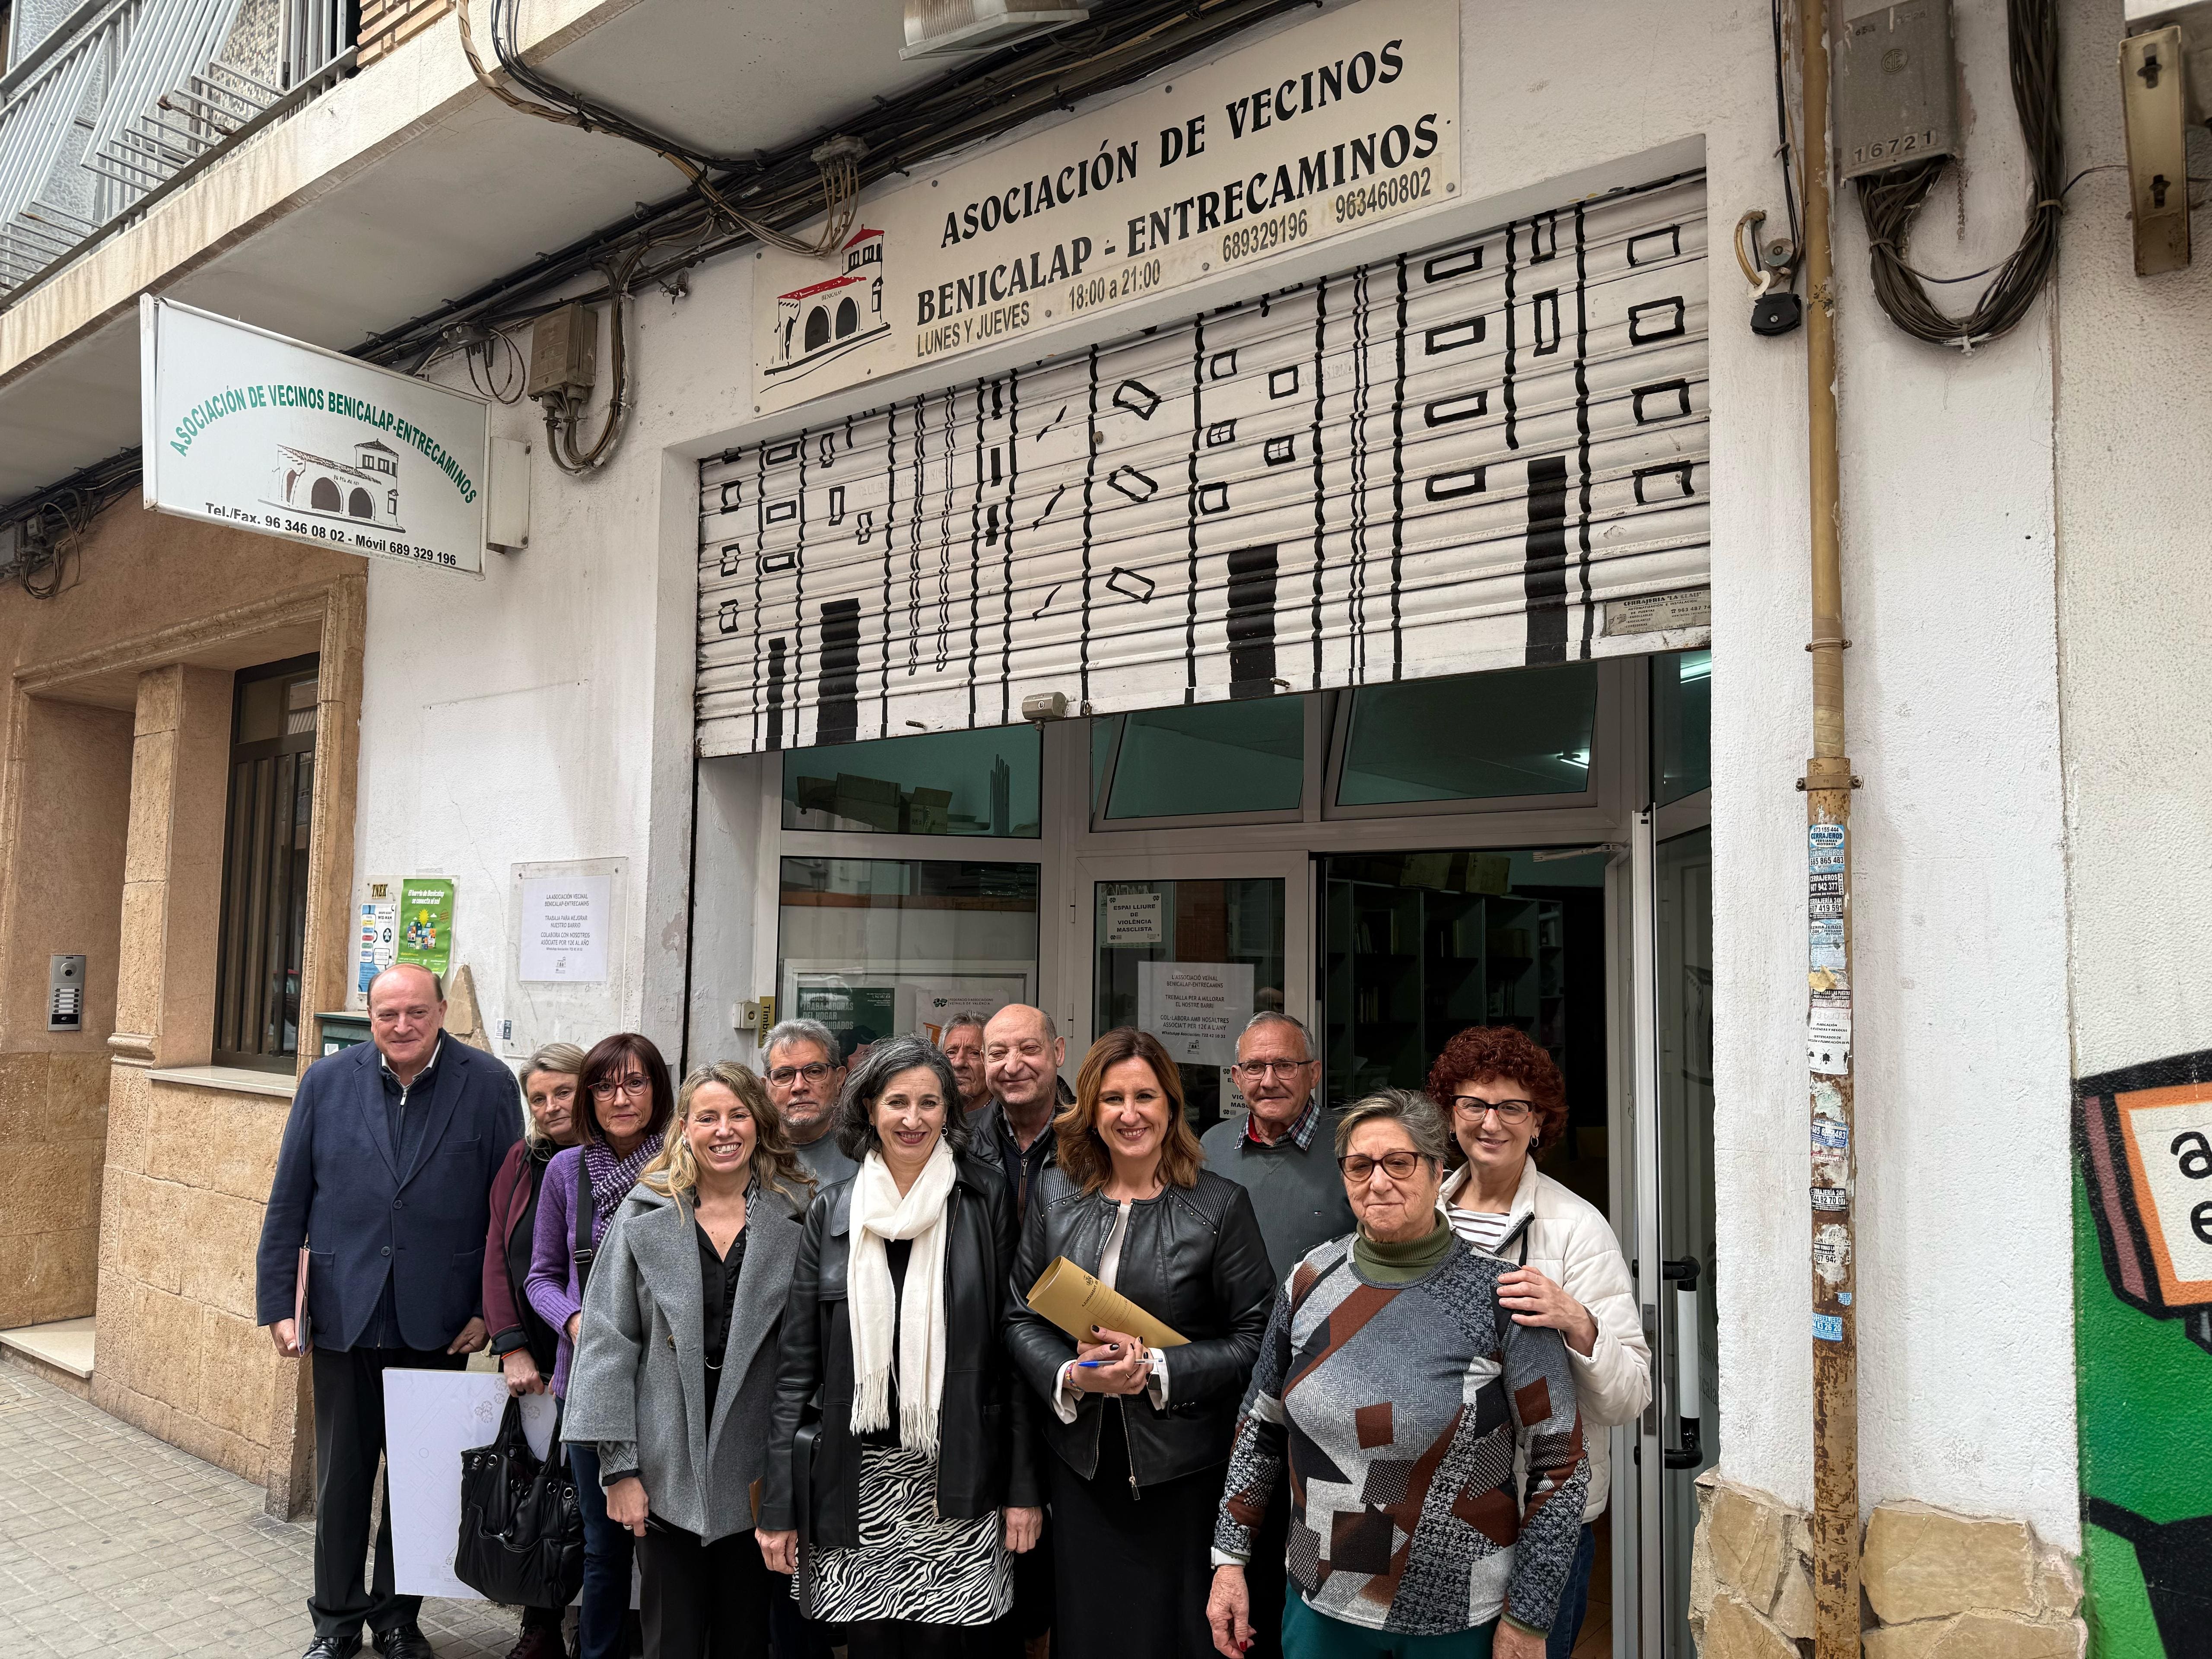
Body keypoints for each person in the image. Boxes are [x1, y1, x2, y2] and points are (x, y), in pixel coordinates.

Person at [1207, 1089, 1592, 1659]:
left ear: (1438, 1171)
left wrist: (1530, 1618)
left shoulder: (1501, 1296)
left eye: (1399, 1162)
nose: (1378, 1181)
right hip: (1321, 1610)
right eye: (1360, 1165)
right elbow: (1260, 1427)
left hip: (1458, 1619)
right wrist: (1229, 1561)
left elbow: (1561, 1463)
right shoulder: (1308, 1284)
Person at [254, 963, 520, 1659]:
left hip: (441, 1319)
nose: (402, 1026)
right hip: (344, 1312)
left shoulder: (489, 1085)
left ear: (440, 1012)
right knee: (342, 1479)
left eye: (416, 1013)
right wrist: (280, 1304)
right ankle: (335, 1625)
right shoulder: (326, 1082)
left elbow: (506, 1216)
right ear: (370, 1018)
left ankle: (397, 1617)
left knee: (418, 1479)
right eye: (387, 1015)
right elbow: (289, 1200)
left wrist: (492, 1314)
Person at [759, 1035, 1043, 1657]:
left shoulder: (986, 1198)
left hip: (959, 1471)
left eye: (930, 1103)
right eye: (897, 1102)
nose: (913, 1119)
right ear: (868, 1110)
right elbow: (796, 1372)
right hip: (856, 1477)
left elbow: (1011, 1354)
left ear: (949, 1112)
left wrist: (1024, 1490)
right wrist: (778, 1505)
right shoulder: (833, 1213)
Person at [1005, 1028, 1277, 1659]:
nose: (1130, 1114)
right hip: (1081, 1469)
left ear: (1172, 1107)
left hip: (1184, 1471)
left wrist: (1157, 1366)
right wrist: (1072, 1378)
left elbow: (1259, 1338)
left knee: (1179, 1637)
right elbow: (1019, 1318)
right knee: (1094, 1636)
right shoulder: (1054, 1195)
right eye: (1113, 1099)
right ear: (1091, 1110)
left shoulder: (1219, 1206)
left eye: (1146, 1097)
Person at [564, 1062, 816, 1659]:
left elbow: (818, 1353)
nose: (723, 1130)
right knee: (669, 1641)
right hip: (664, 1467)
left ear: (759, 1123)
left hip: (758, 1473)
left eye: (737, 1114)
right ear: (684, 1127)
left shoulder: (802, 1213)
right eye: (707, 1117)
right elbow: (607, 1343)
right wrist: (619, 1470)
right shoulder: (644, 1211)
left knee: (746, 1641)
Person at [1430, 1027, 1650, 1659]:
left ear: (1539, 1123)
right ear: (1452, 1113)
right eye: (1474, 1103)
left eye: (1512, 1108)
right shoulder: (1423, 1214)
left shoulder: (1578, 1228)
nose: (1490, 1122)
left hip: (1536, 1518)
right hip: (1435, 1513)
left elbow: (1629, 1396)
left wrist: (1576, 1319)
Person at [1193, 1012, 1352, 1659]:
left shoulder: (1351, 1143)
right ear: (1236, 1077)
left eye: (1285, 1064)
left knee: (1320, 1566)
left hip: (1333, 1392)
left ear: (1313, 1072)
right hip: (1236, 1391)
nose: (1269, 1079)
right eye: (1255, 1067)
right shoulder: (1213, 1145)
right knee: (1241, 1562)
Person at [527, 1033, 674, 1659]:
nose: (621, 1098)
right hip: (588, 1381)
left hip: (669, 1382)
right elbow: (541, 1276)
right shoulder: (565, 1170)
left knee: (668, 1541)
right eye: (605, 1085)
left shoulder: (680, 1162)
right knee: (602, 1543)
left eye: (635, 1083)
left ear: (657, 1091)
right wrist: (577, 1322)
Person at [482, 1041, 587, 1659]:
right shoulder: (523, 1162)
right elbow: (497, 1254)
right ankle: (541, 1623)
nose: (549, 1107)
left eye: (563, 1093)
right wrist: (512, 1346)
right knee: (542, 1493)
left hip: (603, 1357)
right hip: (539, 1364)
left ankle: (608, 1624)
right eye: (538, 1098)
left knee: (603, 1496)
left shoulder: (619, 1162)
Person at [764, 1017, 857, 1188]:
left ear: (839, 1079)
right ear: (766, 1087)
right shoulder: (748, 1155)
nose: (799, 1087)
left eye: (814, 1072)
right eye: (784, 1075)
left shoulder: (867, 1154)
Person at [941, 1014, 991, 1115]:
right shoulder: (929, 1117)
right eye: (951, 1052)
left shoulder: (1009, 1119)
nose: (958, 1063)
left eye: (974, 1053)